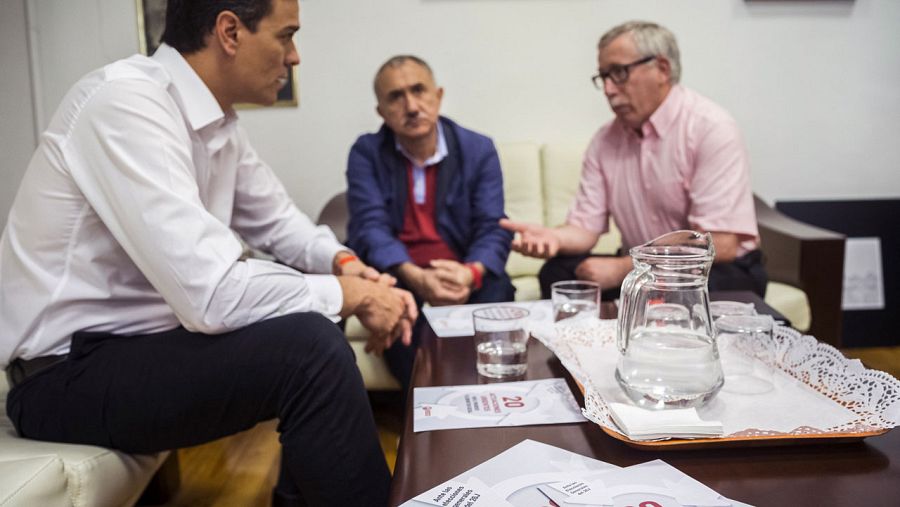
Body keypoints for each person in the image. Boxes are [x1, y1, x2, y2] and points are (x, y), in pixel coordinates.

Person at [0, 1, 416, 505]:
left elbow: (280, 222)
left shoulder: (220, 124)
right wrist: (354, 295)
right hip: (62, 376)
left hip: (135, 351)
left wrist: (346, 266)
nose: (295, 56)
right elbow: (213, 294)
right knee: (311, 347)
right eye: (286, 36)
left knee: (313, 317)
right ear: (229, 32)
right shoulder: (126, 103)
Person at [501, 21, 767, 299]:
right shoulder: (605, 141)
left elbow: (719, 244)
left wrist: (623, 269)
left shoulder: (710, 127)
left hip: (715, 269)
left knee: (681, 291)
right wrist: (553, 238)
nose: (608, 89)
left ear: (662, 69)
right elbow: (584, 229)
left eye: (618, 73)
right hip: (641, 265)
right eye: (603, 77)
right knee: (557, 272)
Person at [346, 55, 515, 390]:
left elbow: (492, 225)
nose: (411, 106)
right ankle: (431, 414)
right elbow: (370, 227)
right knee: (399, 318)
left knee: (497, 291)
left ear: (437, 96)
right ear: (381, 112)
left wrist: (469, 273)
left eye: (419, 90)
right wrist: (416, 277)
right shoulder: (367, 152)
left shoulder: (477, 149)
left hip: (462, 269)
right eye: (396, 96)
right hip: (402, 272)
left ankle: (491, 399)